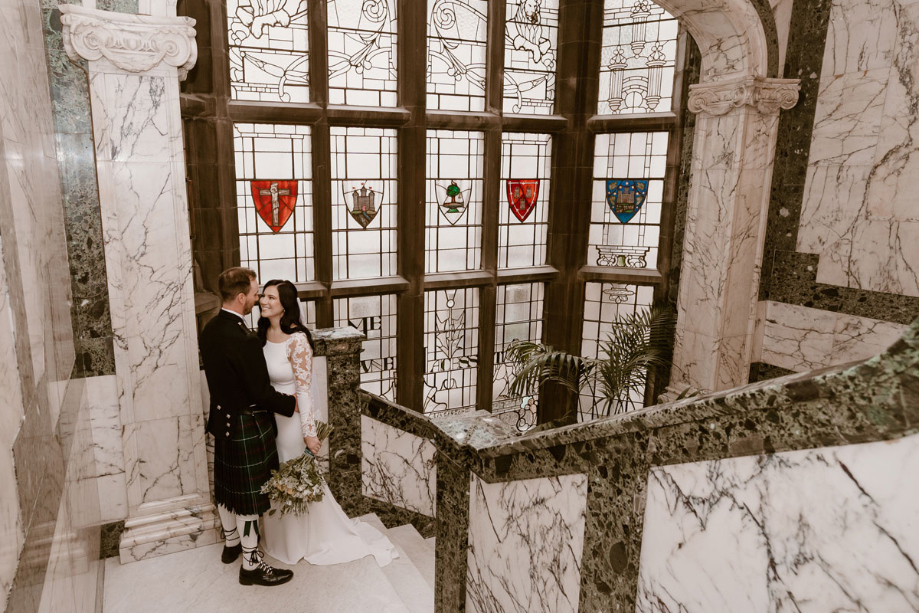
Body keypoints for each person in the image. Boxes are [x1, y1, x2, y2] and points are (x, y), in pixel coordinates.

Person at [257, 279, 398, 567]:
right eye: (262, 296)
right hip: (270, 421)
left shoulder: (297, 340)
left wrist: (309, 434)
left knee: (293, 480)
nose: (263, 301)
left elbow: (305, 389)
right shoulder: (263, 333)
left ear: (285, 305)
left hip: (293, 424)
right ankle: (279, 538)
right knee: (276, 477)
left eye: (271, 297)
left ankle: (304, 541)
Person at [199, 267, 296, 587]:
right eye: (255, 293)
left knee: (227, 490)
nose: (257, 298)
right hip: (246, 424)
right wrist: (290, 404)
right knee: (249, 501)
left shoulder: (210, 329)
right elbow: (260, 392)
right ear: (241, 297)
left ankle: (231, 545)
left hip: (221, 420)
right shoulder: (245, 340)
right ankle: (251, 564)